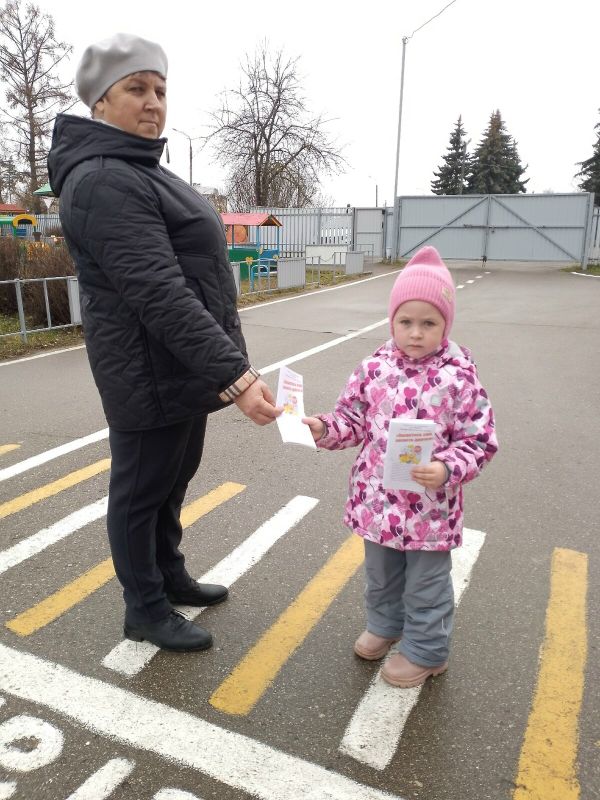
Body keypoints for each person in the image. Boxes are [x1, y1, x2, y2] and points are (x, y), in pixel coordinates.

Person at [47, 33, 280, 653]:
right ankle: (144, 608)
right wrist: (237, 376)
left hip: (181, 368)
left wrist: (220, 368)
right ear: (100, 101)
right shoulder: (102, 180)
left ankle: (169, 575)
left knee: (173, 480)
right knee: (141, 490)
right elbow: (160, 293)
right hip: (145, 372)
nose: (154, 102)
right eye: (136, 89)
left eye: (160, 89)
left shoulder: (142, 169)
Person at [303, 246, 497, 688]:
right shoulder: (373, 368)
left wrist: (446, 468)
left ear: (446, 325)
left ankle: (428, 651)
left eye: (429, 323)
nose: (415, 333)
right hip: (378, 504)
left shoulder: (460, 377)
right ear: (391, 321)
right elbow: (352, 420)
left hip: (430, 509)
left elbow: (480, 440)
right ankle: (386, 624)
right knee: (381, 576)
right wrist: (323, 428)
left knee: (427, 584)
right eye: (405, 321)